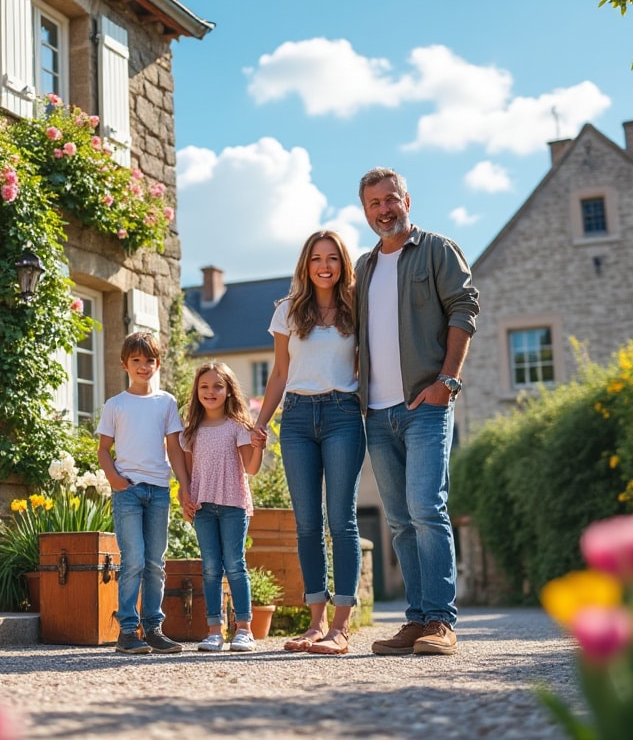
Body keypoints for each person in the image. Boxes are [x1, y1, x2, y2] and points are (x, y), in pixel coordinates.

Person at [355, 167, 479, 657]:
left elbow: (464, 308)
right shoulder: (363, 267)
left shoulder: (437, 250)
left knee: (427, 509)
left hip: (425, 405)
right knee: (400, 521)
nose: (384, 210)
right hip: (376, 412)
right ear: (365, 211)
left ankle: (441, 621)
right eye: (374, 203)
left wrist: (447, 381)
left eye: (391, 199)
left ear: (406, 200)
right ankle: (416, 619)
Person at [252, 230, 366, 656]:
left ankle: (341, 626)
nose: (324, 266)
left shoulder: (356, 308)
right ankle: (315, 623)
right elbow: (280, 373)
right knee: (307, 524)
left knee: (342, 520)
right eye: (317, 258)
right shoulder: (287, 311)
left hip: (343, 416)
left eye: (332, 258)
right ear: (306, 264)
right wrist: (260, 422)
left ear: (342, 264)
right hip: (297, 418)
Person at [97, 331, 191, 655]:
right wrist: (114, 478)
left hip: (159, 491)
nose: (143, 366)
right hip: (128, 492)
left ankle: (153, 629)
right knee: (133, 559)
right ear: (125, 364)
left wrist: (184, 486)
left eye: (149, 360)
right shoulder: (115, 405)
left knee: (154, 562)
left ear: (158, 363)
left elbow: (175, 448)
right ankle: (127, 630)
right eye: (136, 360)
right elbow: (103, 449)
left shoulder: (166, 402)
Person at [179, 362, 264, 653]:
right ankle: (214, 631)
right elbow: (187, 474)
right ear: (196, 391)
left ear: (229, 391)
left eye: (218, 386)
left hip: (233, 506)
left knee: (235, 565)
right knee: (211, 567)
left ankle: (244, 630)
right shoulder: (191, 432)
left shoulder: (237, 427)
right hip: (202, 507)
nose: (211, 391)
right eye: (204, 386)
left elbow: (251, 468)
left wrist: (259, 446)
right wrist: (184, 499)